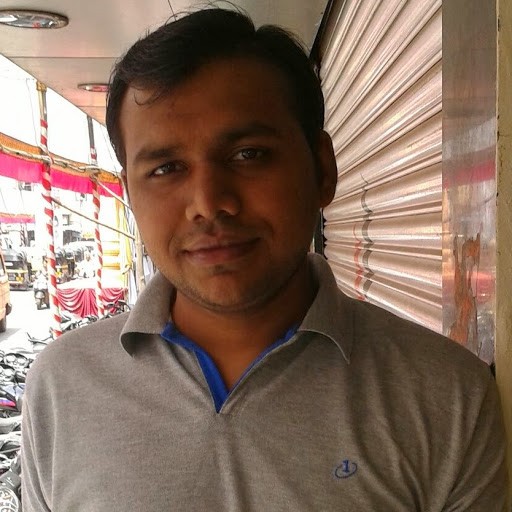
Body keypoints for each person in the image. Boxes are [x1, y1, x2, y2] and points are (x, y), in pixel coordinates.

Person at [21, 7, 507, 511]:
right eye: (166, 168)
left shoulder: (446, 396)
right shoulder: (62, 386)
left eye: (248, 154)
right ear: (131, 194)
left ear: (322, 169)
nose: (209, 203)